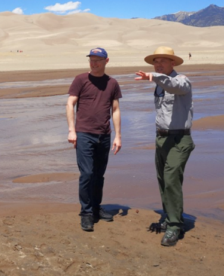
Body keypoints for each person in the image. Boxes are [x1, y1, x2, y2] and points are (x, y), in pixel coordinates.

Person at [135, 46, 194, 247]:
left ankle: (174, 227)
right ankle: (170, 217)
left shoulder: (182, 80)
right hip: (161, 139)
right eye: (155, 61)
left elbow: (174, 86)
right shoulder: (159, 84)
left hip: (179, 140)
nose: (158, 65)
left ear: (173, 63)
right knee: (163, 181)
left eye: (163, 61)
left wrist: (153, 76)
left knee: (171, 180)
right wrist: (155, 78)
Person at [66, 47, 122, 232]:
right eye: (91, 59)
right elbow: (70, 103)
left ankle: (96, 208)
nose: (94, 62)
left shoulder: (112, 83)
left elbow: (115, 110)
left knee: (99, 175)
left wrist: (118, 136)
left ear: (106, 61)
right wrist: (71, 130)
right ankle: (86, 213)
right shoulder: (81, 79)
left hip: (104, 135)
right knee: (87, 174)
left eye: (98, 59)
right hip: (84, 134)